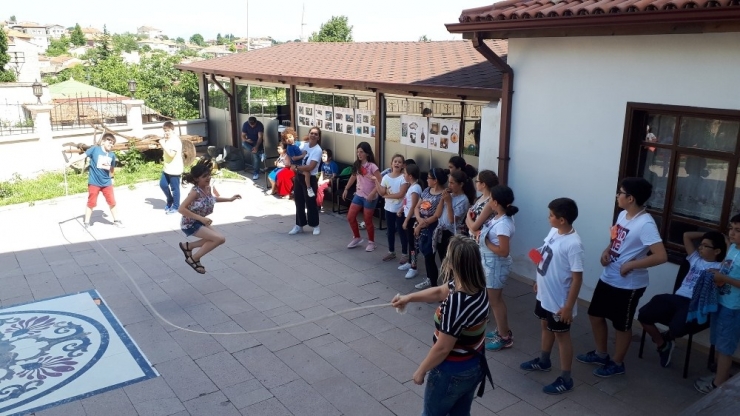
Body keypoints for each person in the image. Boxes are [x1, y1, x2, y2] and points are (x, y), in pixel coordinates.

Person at [391, 235, 491, 416]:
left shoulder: (458, 302)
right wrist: (409, 297)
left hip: (452, 371)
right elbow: (439, 291)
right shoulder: (476, 284)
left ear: (453, 263)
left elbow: (443, 348)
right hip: (473, 365)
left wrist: (421, 370)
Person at [577, 177, 667, 377]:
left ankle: (617, 363)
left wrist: (632, 264)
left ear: (631, 198)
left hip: (629, 284)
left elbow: (661, 255)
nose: (617, 195)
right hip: (609, 276)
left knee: (621, 324)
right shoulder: (623, 215)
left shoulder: (646, 223)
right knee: (595, 314)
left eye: (621, 192)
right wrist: (607, 250)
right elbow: (616, 239)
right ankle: (601, 353)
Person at [520, 198, 584, 395]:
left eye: (551, 215)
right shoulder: (554, 231)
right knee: (544, 325)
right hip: (544, 294)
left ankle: (566, 378)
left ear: (562, 220)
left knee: (562, 336)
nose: (548, 218)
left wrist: (568, 307)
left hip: (559, 302)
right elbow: (544, 255)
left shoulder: (574, 245)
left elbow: (577, 278)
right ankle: (544, 360)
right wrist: (538, 280)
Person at [638, 231, 725, 368]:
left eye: (705, 246)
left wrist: (726, 239)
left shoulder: (721, 267)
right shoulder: (695, 259)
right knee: (644, 314)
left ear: (717, 251)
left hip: (694, 304)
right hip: (677, 298)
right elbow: (686, 235)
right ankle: (663, 345)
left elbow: (731, 256)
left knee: (677, 328)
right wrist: (709, 233)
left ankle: (669, 336)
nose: (700, 248)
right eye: (700, 245)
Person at [695, 216, 740, 394]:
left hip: (733, 307)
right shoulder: (734, 248)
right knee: (718, 340)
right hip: (720, 301)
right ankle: (718, 376)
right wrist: (717, 272)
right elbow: (726, 266)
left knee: (725, 346)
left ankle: (718, 385)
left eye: (737, 230)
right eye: (731, 228)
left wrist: (723, 278)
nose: (732, 233)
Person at [178, 158, 241, 274]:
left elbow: (211, 199)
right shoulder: (195, 192)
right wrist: (201, 218)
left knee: (220, 239)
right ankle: (194, 259)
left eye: (208, 175)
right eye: (204, 176)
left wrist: (230, 199)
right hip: (190, 223)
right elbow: (181, 209)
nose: (208, 178)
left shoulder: (207, 188)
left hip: (199, 221)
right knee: (218, 238)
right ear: (196, 179)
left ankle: (188, 246)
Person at [478, 185, 518, 351]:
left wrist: (486, 242)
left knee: (495, 301)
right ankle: (503, 330)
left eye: (490, 199)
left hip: (495, 264)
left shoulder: (503, 224)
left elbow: (503, 251)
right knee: (496, 300)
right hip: (490, 263)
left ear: (495, 202)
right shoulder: (499, 217)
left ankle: (504, 337)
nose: (488, 201)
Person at [434, 168, 476, 272]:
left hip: (451, 233)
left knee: (451, 262)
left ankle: (451, 283)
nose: (449, 185)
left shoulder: (463, 200)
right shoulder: (449, 195)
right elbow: (438, 214)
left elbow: (452, 220)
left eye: (452, 183)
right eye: (449, 182)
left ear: (461, 184)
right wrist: (442, 199)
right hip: (441, 230)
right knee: (443, 259)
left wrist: (448, 203)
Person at [342, 142, 382, 251]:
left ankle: (371, 242)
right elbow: (353, 177)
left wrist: (373, 193)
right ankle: (357, 237)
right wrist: (346, 188)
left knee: (367, 219)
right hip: (359, 195)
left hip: (370, 196)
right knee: (350, 216)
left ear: (367, 153)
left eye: (362, 152)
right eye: (358, 151)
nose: (359, 154)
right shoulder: (357, 165)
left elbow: (380, 181)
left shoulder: (373, 166)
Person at [413, 168, 448, 290]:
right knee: (427, 256)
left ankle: (440, 285)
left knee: (436, 256)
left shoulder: (442, 195)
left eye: (429, 178)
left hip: (434, 228)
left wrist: (421, 224)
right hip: (422, 224)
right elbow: (417, 207)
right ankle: (430, 279)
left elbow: (436, 215)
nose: (427, 180)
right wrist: (419, 219)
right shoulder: (427, 190)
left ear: (436, 180)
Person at [83, 133, 123, 228]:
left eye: (113, 143)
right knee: (91, 202)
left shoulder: (111, 155)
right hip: (94, 182)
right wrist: (70, 162)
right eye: (109, 142)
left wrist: (112, 178)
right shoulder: (95, 150)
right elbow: (83, 155)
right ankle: (87, 222)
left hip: (106, 183)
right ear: (103, 142)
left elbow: (111, 168)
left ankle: (116, 220)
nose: (111, 144)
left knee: (112, 201)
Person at [374, 154, 409, 261]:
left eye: (399, 162)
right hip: (388, 208)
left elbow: (401, 194)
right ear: (391, 163)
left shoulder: (404, 178)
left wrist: (386, 196)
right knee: (390, 230)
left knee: (401, 231)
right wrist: (376, 181)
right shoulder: (386, 177)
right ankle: (391, 251)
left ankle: (404, 254)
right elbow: (382, 192)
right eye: (395, 161)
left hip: (400, 209)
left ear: (403, 165)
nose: (397, 163)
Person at [288, 127, 322, 236]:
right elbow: (293, 154)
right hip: (299, 177)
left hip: (310, 179)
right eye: (311, 133)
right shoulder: (304, 145)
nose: (313, 135)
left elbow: (310, 167)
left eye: (316, 134)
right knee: (298, 201)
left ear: (318, 137)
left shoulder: (318, 150)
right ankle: (299, 225)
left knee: (311, 202)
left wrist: (296, 167)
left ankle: (315, 225)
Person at [398, 164, 422, 276]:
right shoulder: (411, 186)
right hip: (408, 216)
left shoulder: (415, 188)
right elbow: (407, 203)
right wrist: (401, 210)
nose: (404, 175)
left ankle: (413, 266)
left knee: (413, 244)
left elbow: (413, 206)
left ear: (410, 176)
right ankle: (409, 262)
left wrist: (406, 220)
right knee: (410, 242)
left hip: (412, 219)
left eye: (405, 173)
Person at [465, 170, 499, 237]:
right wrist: (474, 231)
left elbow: (474, 226)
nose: (476, 183)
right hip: (473, 237)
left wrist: (468, 215)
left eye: (477, 181)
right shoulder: (480, 198)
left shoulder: (490, 202)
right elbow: (467, 221)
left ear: (483, 184)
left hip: (480, 242)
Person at [159, 121, 183, 214]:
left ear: (173, 130)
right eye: (165, 131)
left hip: (175, 169)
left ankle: (176, 206)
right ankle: (170, 200)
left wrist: (162, 144)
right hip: (167, 168)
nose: (166, 133)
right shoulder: (167, 140)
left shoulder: (175, 141)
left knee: (175, 188)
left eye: (168, 130)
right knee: (163, 184)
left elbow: (171, 154)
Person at [274, 128, 300, 198]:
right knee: (280, 175)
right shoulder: (289, 147)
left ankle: (288, 192)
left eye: (290, 137)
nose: (289, 139)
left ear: (293, 136)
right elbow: (293, 158)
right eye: (286, 138)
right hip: (292, 166)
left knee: (285, 176)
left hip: (298, 166)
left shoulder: (298, 143)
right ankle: (285, 192)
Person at [241, 116, 264, 180]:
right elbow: (243, 136)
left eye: (254, 124)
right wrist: (246, 140)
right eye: (251, 124)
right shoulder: (245, 125)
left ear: (256, 122)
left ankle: (256, 173)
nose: (252, 126)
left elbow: (260, 137)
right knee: (243, 143)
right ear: (248, 122)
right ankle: (259, 154)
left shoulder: (260, 125)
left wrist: (256, 147)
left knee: (255, 157)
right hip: (249, 142)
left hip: (257, 142)